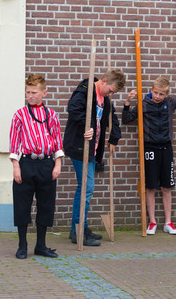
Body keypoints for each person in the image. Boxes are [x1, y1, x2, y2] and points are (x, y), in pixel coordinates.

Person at [122, 72, 176, 235]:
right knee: (150, 187)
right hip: (149, 148)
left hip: (166, 148)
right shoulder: (144, 103)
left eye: (161, 94)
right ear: (152, 90)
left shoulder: (170, 103)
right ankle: (152, 222)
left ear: (167, 94)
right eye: (155, 92)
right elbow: (126, 119)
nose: (157, 96)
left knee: (166, 187)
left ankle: (168, 222)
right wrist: (128, 102)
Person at [64, 69, 126, 246]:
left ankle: (79, 227)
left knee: (86, 188)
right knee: (86, 188)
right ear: (104, 81)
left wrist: (113, 138)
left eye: (114, 92)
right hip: (79, 147)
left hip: (92, 149)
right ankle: (78, 230)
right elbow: (73, 109)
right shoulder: (85, 91)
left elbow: (111, 117)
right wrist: (88, 125)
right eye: (111, 90)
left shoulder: (104, 99)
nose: (111, 94)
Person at [9, 74, 64, 259]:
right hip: (26, 163)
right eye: (27, 92)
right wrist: (16, 166)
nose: (30, 96)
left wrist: (57, 163)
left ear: (44, 93)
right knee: (22, 204)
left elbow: (57, 141)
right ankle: (22, 245)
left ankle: (41, 245)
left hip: (46, 163)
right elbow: (14, 142)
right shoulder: (19, 115)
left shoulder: (52, 115)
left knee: (46, 204)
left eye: (34, 92)